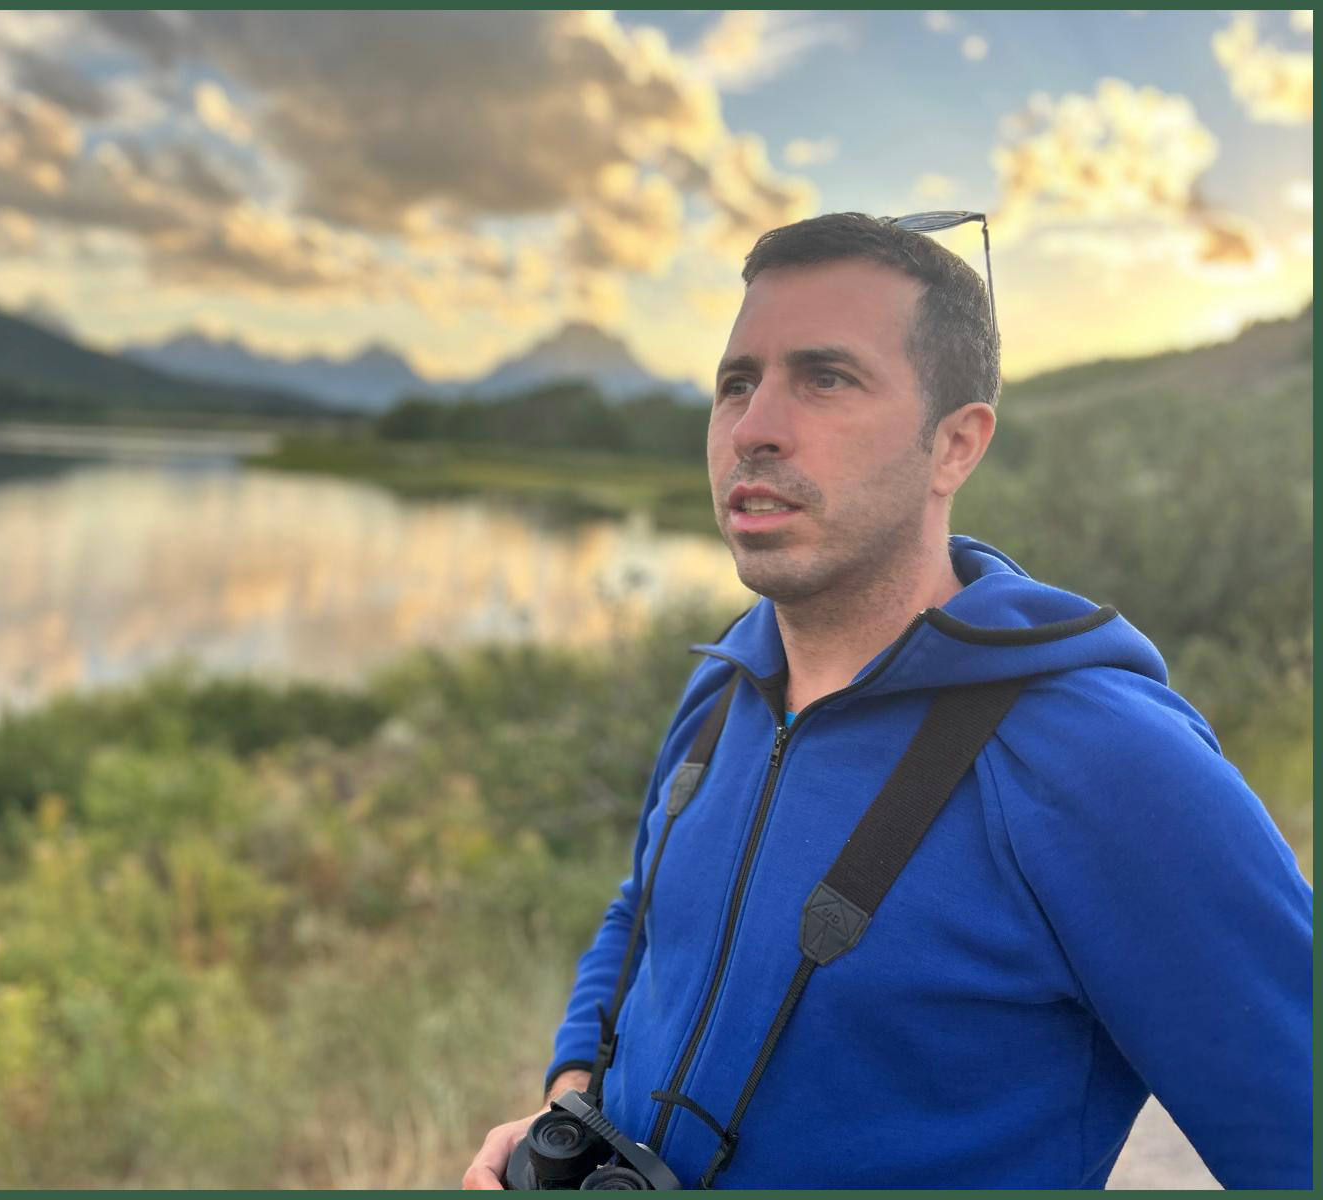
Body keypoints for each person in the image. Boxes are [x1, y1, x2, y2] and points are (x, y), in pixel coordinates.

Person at [462, 212, 1313, 1190]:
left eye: (826, 379)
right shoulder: (724, 683)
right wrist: (567, 1104)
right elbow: (643, 911)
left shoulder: (1107, 763)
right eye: (736, 383)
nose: (753, 429)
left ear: (954, 446)